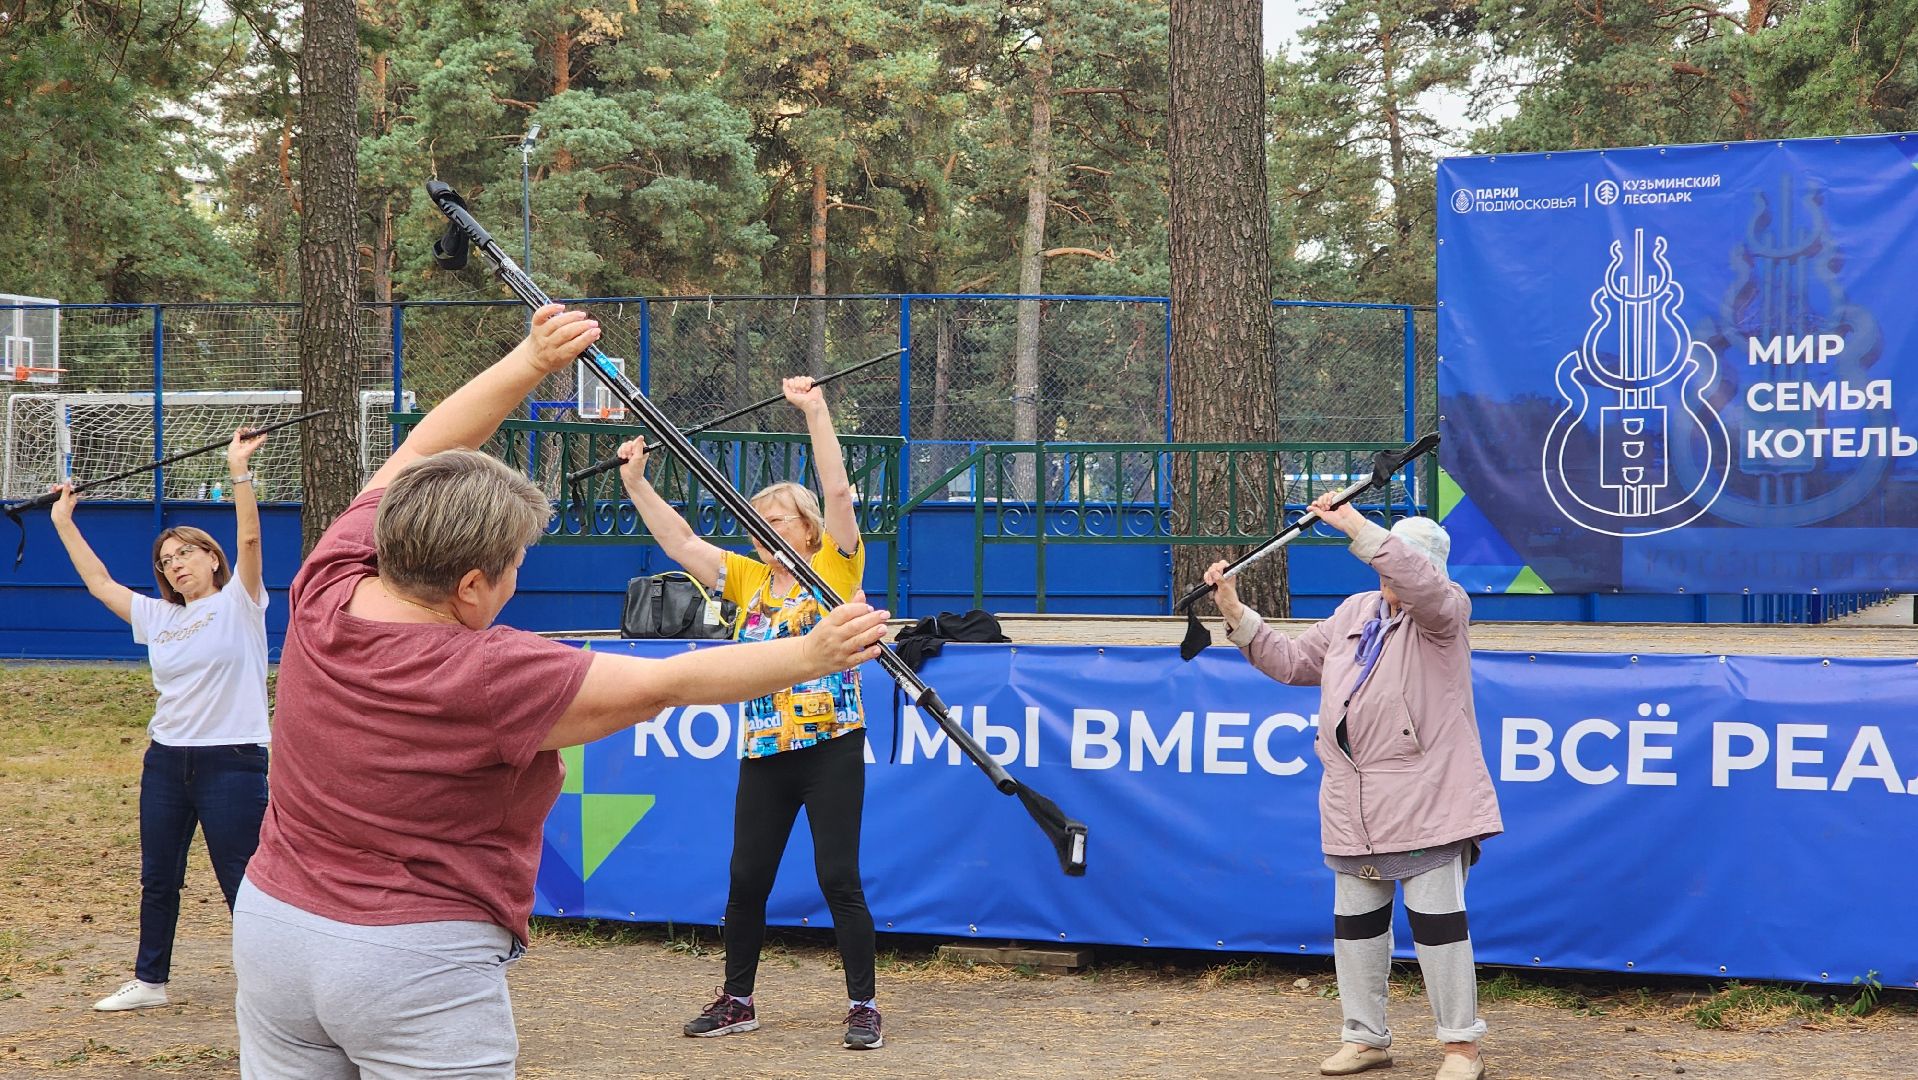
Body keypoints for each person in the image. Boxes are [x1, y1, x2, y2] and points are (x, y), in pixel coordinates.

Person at [230, 305, 890, 1080]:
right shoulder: (491, 671)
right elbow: (664, 685)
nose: (518, 579)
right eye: (514, 566)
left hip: (273, 929)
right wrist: (810, 655)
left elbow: (420, 449)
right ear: (472, 585)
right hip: (413, 960)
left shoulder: (326, 578)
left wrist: (532, 359)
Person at [617, 374, 884, 1050]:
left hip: (831, 747)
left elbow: (840, 492)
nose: (763, 532)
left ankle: (863, 1005)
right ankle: (738, 998)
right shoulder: (747, 580)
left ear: (806, 527)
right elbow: (680, 546)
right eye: (756, 523)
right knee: (746, 878)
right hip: (764, 749)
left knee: (837, 877)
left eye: (776, 521)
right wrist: (638, 484)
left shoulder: (836, 566)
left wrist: (816, 411)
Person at [1205, 492, 1502, 1080]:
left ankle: (1460, 1047)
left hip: (1428, 799)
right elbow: (1290, 662)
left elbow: (1417, 580)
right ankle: (1366, 1038)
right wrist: (1236, 613)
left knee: (1439, 928)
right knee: (1356, 928)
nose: (1388, 576)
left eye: (1399, 563)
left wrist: (1357, 526)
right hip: (1351, 804)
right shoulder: (1354, 611)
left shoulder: (1445, 612)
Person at [48, 428, 274, 1012]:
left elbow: (249, 537)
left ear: (211, 557)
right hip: (168, 760)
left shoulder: (241, 604)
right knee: (158, 878)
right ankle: (150, 982)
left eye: (185, 554)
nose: (175, 566)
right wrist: (64, 522)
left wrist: (238, 472)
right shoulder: (158, 618)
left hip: (234, 760)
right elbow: (99, 584)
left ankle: (270, 985)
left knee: (241, 879)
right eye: (165, 561)